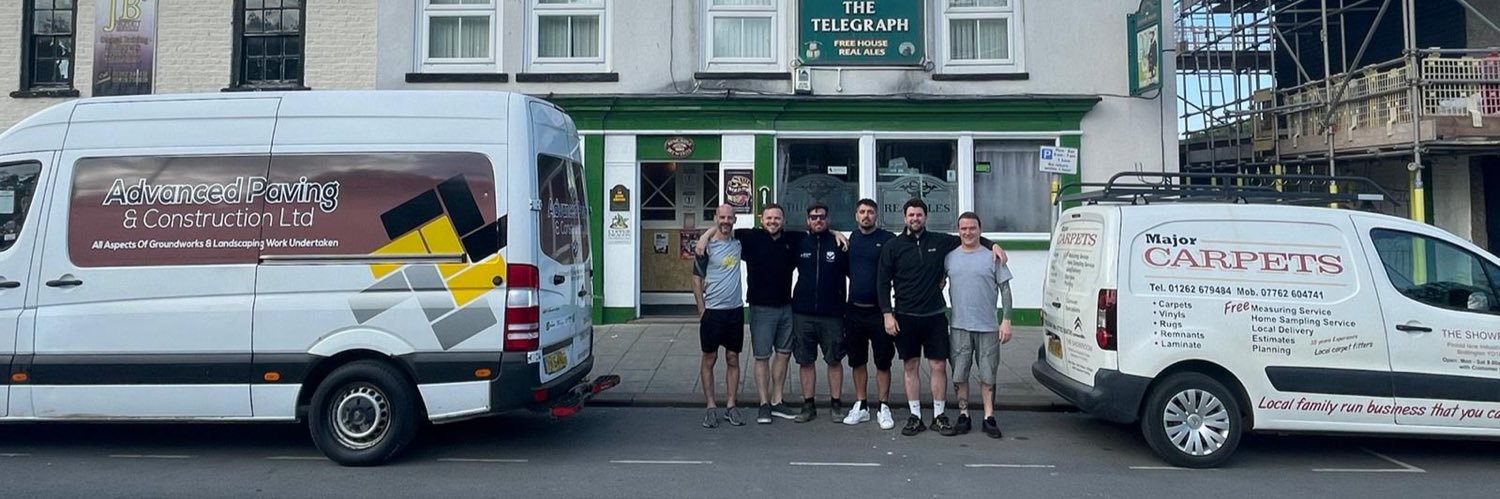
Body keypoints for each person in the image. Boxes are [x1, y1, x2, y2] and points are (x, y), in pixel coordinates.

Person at [696, 204, 845, 424]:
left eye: (777, 218)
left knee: (783, 354)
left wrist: (836, 233)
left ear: (783, 221)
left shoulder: (794, 239)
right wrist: (705, 236)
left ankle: (777, 401)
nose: (773, 221)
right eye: (769, 218)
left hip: (787, 307)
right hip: (760, 308)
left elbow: (818, 228)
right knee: (762, 357)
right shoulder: (750, 237)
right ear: (761, 219)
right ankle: (764, 403)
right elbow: (725, 227)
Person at [877, 198, 1006, 436]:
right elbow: (882, 283)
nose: (915, 218)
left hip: (935, 315)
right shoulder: (892, 247)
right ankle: (915, 415)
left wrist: (994, 244)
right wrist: (887, 314)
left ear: (926, 217)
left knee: (938, 365)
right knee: (911, 365)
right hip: (905, 315)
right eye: (911, 215)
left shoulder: (940, 241)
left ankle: (939, 415)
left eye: (919, 215)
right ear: (904, 218)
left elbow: (968, 238)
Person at [941, 212, 1013, 438]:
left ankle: (988, 417)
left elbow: (1006, 290)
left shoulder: (992, 257)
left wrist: (1007, 320)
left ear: (980, 230)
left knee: (988, 374)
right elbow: (937, 284)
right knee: (959, 374)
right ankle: (964, 415)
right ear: (958, 230)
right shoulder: (949, 257)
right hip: (959, 327)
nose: (968, 232)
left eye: (972, 228)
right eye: (963, 228)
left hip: (988, 327)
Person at [840, 199, 899, 429]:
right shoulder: (850, 240)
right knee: (857, 360)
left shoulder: (888, 240)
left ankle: (883, 406)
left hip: (880, 312)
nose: (866, 216)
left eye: (870, 212)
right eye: (862, 212)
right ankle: (861, 404)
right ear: (856, 216)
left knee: (883, 361)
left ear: (877, 215)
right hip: (854, 311)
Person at [789, 203, 849, 423]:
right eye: (813, 217)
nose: (818, 220)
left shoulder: (839, 244)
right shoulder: (798, 242)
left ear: (828, 220)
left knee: (834, 360)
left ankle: (836, 404)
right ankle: (808, 405)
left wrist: (837, 234)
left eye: (822, 217)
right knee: (805, 361)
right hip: (803, 313)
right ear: (807, 221)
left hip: (832, 313)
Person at [691, 204, 746, 428]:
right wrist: (701, 309)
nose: (725, 221)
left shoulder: (739, 243)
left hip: (735, 311)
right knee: (709, 359)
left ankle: (731, 405)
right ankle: (711, 406)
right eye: (721, 217)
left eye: (729, 217)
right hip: (713, 312)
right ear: (716, 218)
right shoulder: (706, 248)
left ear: (735, 220)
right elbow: (696, 279)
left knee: (733, 358)